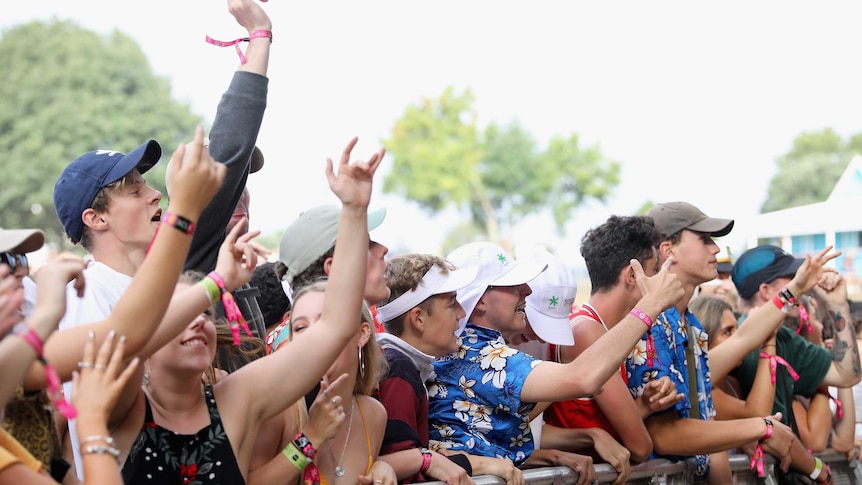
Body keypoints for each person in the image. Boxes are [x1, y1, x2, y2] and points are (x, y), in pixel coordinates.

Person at [52, 0, 274, 476]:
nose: (156, 195)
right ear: (96, 219)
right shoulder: (77, 299)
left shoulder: (178, 268)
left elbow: (228, 158)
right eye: (135, 189)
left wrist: (260, 39)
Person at [103, 136, 385, 484]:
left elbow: (336, 326)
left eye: (204, 315)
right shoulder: (124, 407)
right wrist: (186, 214)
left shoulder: (235, 399)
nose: (196, 325)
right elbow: (124, 340)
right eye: (181, 315)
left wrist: (355, 211)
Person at [427, 240, 685, 485]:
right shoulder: (483, 356)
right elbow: (583, 378)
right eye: (513, 285)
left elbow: (486, 441)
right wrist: (649, 306)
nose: (526, 290)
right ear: (481, 299)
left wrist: (556, 453)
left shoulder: (468, 348)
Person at [627, 201, 797, 483]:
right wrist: (761, 427)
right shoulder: (651, 322)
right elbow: (664, 435)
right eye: (704, 239)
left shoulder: (690, 324)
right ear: (668, 250)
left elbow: (705, 422)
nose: (715, 248)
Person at [375, 253, 528, 485]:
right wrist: (480, 464)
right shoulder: (399, 371)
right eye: (451, 304)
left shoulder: (406, 367)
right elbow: (402, 471)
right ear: (418, 319)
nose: (461, 313)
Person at [543, 216, 681, 467]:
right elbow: (640, 447)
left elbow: (599, 424)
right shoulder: (587, 332)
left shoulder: (589, 324)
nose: (661, 280)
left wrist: (645, 406)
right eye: (654, 272)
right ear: (632, 275)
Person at [248, 280, 395, 485]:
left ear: (362, 334)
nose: (313, 336)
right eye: (300, 327)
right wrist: (309, 439)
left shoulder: (373, 414)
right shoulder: (278, 411)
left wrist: (382, 466)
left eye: (326, 322)